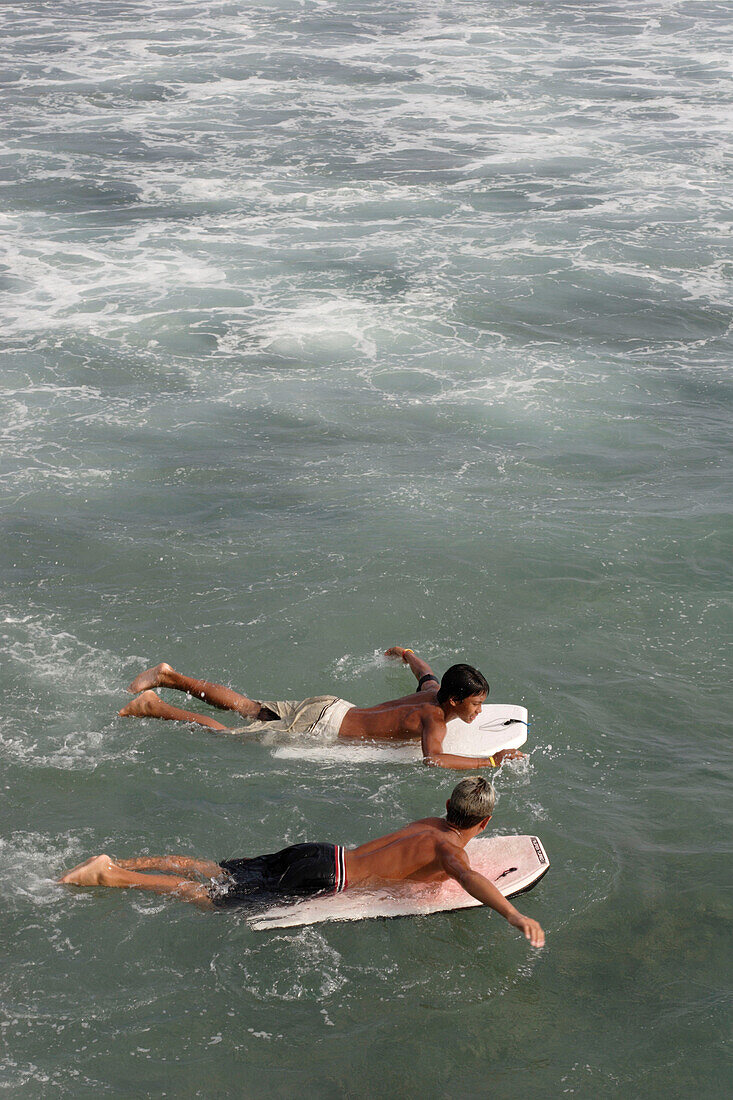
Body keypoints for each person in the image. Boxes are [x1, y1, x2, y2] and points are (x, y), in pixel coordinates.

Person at [59, 777, 545, 946]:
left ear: (448, 807)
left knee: (216, 870)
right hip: (324, 878)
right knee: (212, 900)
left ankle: (118, 858)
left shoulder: (428, 823)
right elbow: (467, 875)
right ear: (482, 823)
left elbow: (402, 862)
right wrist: (513, 913)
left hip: (321, 852)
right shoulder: (450, 849)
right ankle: (113, 875)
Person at [118, 646, 526, 770]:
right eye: (475, 705)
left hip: (330, 707)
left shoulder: (432, 693)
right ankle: (154, 707)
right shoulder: (435, 718)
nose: (477, 713)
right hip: (321, 732)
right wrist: (491, 760)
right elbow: (433, 760)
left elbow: (425, 671)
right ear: (455, 701)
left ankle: (169, 675)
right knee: (227, 735)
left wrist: (406, 653)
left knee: (248, 706)